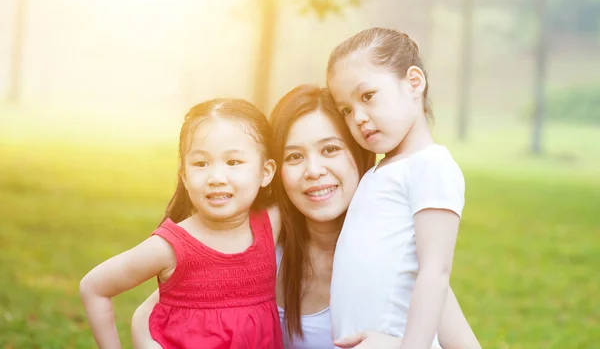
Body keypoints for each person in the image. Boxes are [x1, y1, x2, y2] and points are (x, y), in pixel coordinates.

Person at [131, 85, 479, 349]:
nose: (314, 171)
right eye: (294, 157)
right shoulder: (255, 243)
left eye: (330, 150)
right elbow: (147, 315)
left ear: (359, 156)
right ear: (272, 171)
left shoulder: (395, 253)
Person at [79, 99, 283, 349]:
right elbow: (94, 287)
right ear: (185, 176)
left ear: (266, 172)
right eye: (200, 163)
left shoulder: (270, 224)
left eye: (233, 162)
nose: (216, 178)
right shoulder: (169, 247)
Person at [327, 27, 474, 349]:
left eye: (368, 96)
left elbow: (435, 273)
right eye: (346, 110)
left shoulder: (430, 165)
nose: (359, 118)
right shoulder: (377, 173)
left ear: (413, 83)